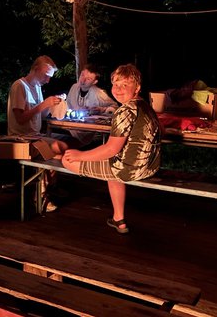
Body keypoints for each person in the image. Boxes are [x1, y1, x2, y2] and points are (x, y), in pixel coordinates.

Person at [62, 64, 162, 234]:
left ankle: (118, 216)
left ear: (137, 87)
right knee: (107, 161)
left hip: (128, 169)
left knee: (67, 160)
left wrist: (80, 155)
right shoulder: (145, 106)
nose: (118, 89)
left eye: (125, 84)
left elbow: (111, 150)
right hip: (150, 165)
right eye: (115, 84)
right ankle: (118, 219)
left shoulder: (125, 111)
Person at [7, 55, 79, 211]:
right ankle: (40, 194)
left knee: (69, 143)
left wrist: (52, 105)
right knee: (59, 148)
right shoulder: (19, 86)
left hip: (34, 135)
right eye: (46, 75)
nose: (48, 80)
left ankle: (49, 188)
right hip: (20, 138)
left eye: (50, 77)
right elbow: (20, 119)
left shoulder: (37, 88)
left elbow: (40, 115)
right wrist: (44, 104)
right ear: (35, 69)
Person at [66, 63, 118, 144]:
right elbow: (67, 105)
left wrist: (103, 109)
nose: (83, 80)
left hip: (90, 134)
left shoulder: (99, 93)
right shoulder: (74, 87)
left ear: (94, 82)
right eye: (82, 75)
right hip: (71, 128)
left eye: (88, 79)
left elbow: (115, 107)